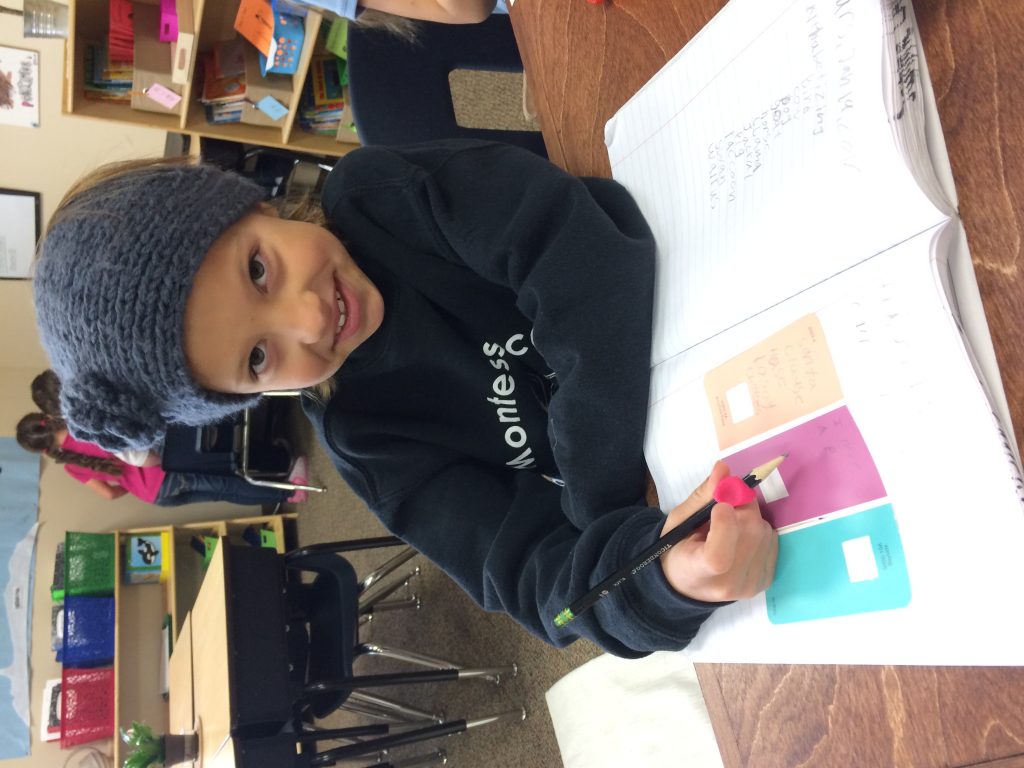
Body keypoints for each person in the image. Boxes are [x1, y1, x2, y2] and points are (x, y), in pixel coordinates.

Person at [32, 140, 777, 657]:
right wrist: (659, 581)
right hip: (722, 448)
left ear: (251, 209)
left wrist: (597, 504)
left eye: (258, 270)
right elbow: (529, 580)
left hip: (725, 271)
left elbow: (582, 258)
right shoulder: (365, 440)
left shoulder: (379, 197)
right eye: (258, 357)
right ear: (247, 398)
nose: (308, 318)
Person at [16, 411, 310, 507]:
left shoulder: (71, 467)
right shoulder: (85, 425)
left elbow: (109, 494)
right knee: (227, 479)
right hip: (164, 467)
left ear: (43, 450)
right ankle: (290, 490)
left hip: (154, 494)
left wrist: (130, 484)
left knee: (224, 492)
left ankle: (285, 491)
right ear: (47, 417)